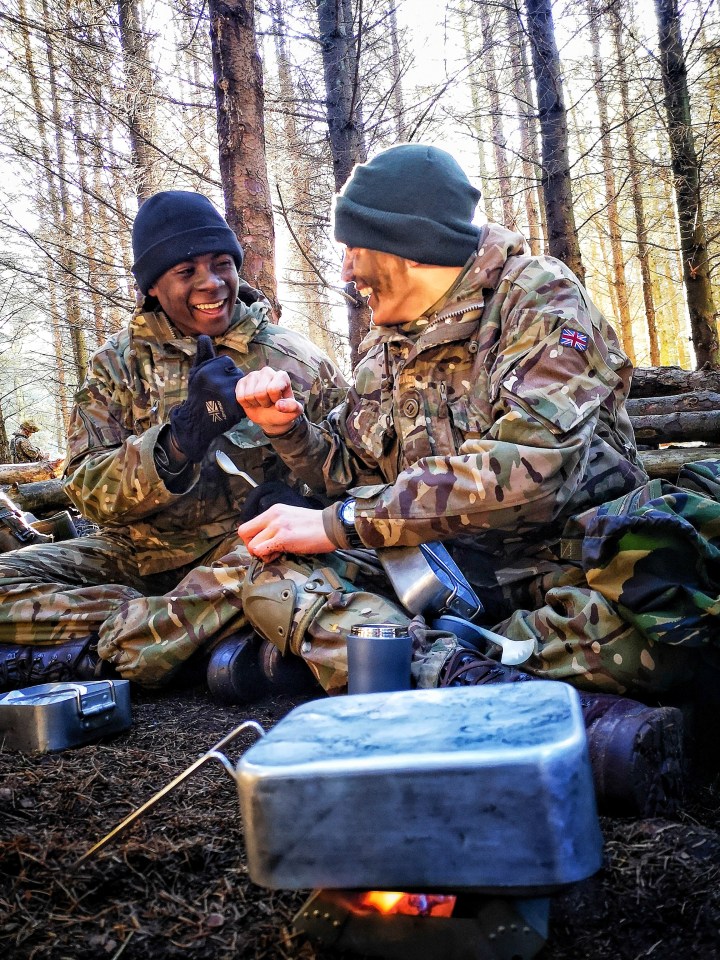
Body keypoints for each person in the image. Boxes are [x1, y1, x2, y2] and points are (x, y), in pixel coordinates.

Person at [234, 144, 689, 817]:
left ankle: (407, 677)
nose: (346, 266)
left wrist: (342, 526)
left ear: (410, 246)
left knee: (664, 626)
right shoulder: (387, 344)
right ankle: (461, 678)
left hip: (574, 567)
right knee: (271, 575)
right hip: (452, 578)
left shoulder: (542, 301)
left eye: (356, 245)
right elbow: (352, 473)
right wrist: (288, 432)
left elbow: (525, 474)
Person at [0, 190, 348, 693]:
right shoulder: (116, 366)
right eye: (187, 272)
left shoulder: (293, 358)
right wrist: (179, 440)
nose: (211, 283)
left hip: (245, 555)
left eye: (221, 264)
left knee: (287, 570)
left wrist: (303, 494)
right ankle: (181, 636)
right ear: (153, 287)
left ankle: (128, 646)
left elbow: (352, 468)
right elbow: (85, 489)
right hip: (135, 559)